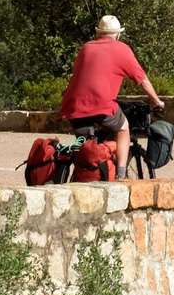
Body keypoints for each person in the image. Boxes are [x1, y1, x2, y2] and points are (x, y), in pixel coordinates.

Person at [59, 13, 164, 181]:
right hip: (101, 105)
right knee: (123, 127)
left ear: (98, 33)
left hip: (73, 107)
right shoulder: (121, 49)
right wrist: (157, 101)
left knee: (87, 147)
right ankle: (121, 176)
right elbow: (142, 80)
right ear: (118, 34)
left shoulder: (86, 48)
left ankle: (79, 172)